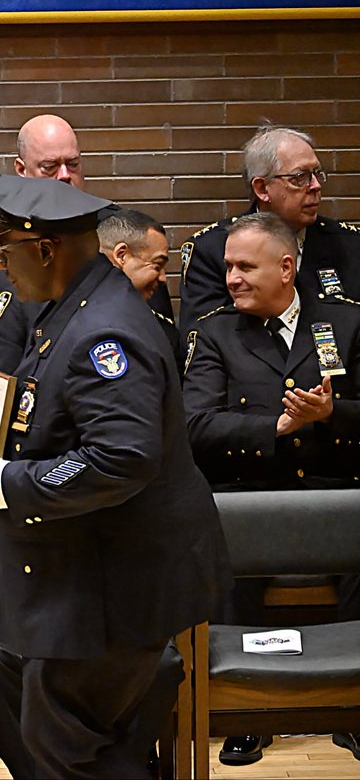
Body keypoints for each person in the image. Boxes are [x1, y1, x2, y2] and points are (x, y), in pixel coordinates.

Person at [0, 175, 230, 778]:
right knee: (68, 733)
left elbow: (120, 458)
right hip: (89, 575)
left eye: (3, 249)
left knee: (63, 737)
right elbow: (20, 425)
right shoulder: (65, 311)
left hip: (122, 579)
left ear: (45, 249)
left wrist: (9, 486)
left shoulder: (103, 332)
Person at [182, 211, 360, 766]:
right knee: (222, 537)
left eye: (244, 267)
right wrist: (273, 427)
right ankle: (247, 713)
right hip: (249, 494)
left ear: (286, 268)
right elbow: (192, 424)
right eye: (228, 266)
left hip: (337, 491)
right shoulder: (214, 334)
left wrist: (332, 415)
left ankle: (354, 709)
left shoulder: (348, 324)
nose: (231, 277)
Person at [0, 114, 174, 399]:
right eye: (50, 167)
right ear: (21, 170)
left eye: (72, 164)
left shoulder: (121, 231)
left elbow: (159, 329)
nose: (64, 175)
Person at [179, 125, 360, 332]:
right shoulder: (210, 249)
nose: (316, 185)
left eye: (317, 173)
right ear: (262, 189)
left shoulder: (350, 244)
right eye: (300, 177)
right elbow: (200, 339)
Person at [97, 210, 181, 363]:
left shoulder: (162, 331)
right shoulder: (78, 322)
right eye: (157, 265)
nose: (163, 278)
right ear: (122, 255)